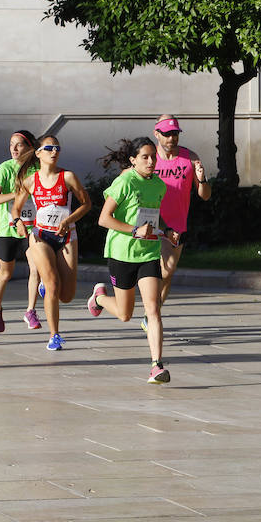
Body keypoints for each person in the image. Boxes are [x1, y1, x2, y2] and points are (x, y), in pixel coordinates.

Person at [87, 137, 170, 383]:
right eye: (145, 157)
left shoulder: (159, 185)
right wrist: (134, 231)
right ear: (133, 160)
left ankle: (156, 365)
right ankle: (99, 298)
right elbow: (104, 218)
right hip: (122, 253)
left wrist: (168, 230)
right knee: (125, 314)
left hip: (149, 253)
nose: (151, 161)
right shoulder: (124, 181)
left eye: (153, 156)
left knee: (153, 309)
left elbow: (154, 218)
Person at [12, 135, 91, 350]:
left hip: (66, 236)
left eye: (57, 148)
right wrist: (18, 222)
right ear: (38, 153)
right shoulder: (30, 181)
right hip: (40, 236)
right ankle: (54, 335)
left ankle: (47, 289)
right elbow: (16, 209)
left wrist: (68, 220)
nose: (54, 152)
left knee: (66, 296)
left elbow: (87, 204)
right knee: (53, 283)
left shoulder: (68, 177)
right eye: (49, 148)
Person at [139, 115, 210, 330]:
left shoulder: (190, 158)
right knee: (161, 270)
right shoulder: (149, 158)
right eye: (167, 134)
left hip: (178, 224)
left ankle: (151, 314)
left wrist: (202, 177)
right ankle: (152, 314)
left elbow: (205, 195)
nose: (172, 138)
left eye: (175, 134)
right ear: (157, 134)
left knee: (168, 271)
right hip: (151, 221)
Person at [0, 130, 42, 331]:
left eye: (19, 145)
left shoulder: (39, 169)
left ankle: (30, 310)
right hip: (8, 229)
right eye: (11, 144)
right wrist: (17, 194)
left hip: (33, 227)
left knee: (36, 267)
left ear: (30, 147)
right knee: (5, 273)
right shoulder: (5, 169)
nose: (13, 148)